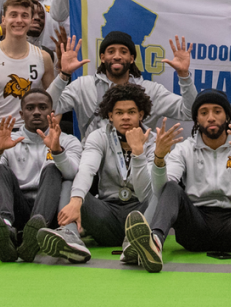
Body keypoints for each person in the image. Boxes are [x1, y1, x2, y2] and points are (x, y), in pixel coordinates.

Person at [123, 90, 231, 274]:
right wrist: (159, 159)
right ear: (196, 119)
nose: (211, 118)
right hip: (196, 227)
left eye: (217, 111)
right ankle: (154, 243)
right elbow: (160, 191)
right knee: (172, 187)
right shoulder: (184, 148)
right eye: (204, 113)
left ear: (227, 116)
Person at [60, 84, 163, 262]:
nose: (125, 117)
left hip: (140, 211)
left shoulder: (153, 141)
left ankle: (138, 243)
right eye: (119, 113)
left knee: (163, 189)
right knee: (70, 184)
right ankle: (70, 238)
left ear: (141, 114)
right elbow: (87, 169)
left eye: (131, 112)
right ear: (110, 116)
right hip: (106, 214)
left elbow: (146, 193)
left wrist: (138, 152)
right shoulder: (98, 136)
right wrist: (76, 201)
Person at [0, 89, 83, 263]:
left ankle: (36, 230)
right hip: (18, 210)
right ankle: (5, 229)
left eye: (42, 107)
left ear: (52, 113)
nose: (36, 112)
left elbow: (72, 174)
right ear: (21, 113)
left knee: (53, 169)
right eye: (30, 108)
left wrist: (57, 151)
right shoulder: (8, 139)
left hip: (49, 213)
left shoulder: (68, 140)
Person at [50, 31, 195, 136]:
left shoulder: (151, 91)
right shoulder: (83, 86)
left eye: (123, 52)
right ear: (102, 57)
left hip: (137, 163)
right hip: (93, 165)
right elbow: (50, 108)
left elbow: (189, 112)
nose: (117, 56)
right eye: (111, 51)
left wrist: (184, 76)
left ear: (132, 58)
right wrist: (64, 75)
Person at [0, 0, 54, 133]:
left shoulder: (43, 57)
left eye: (24, 16)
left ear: (30, 20)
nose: (19, 20)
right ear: (3, 19)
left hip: (29, 132)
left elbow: (53, 102)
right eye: (13, 15)